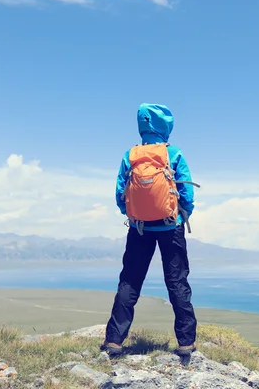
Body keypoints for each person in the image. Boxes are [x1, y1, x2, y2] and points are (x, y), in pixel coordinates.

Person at [101, 103, 198, 358]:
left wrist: (134, 214)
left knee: (130, 281)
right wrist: (181, 213)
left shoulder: (130, 155)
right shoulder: (173, 153)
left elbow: (119, 195)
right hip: (170, 226)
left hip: (139, 228)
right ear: (166, 127)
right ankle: (186, 343)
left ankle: (114, 340)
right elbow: (186, 193)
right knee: (177, 282)